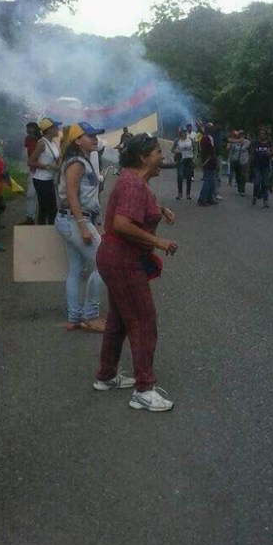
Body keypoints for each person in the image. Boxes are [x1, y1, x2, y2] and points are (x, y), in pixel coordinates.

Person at [93, 133, 178, 412]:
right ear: (143, 157)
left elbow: (136, 206)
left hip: (116, 259)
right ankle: (144, 389)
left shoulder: (133, 180)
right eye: (157, 152)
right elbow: (121, 223)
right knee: (143, 320)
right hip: (123, 260)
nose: (162, 157)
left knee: (118, 319)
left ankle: (106, 375)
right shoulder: (132, 183)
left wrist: (160, 209)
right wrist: (158, 241)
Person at [55, 122, 106, 333]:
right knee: (103, 263)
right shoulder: (77, 162)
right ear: (77, 140)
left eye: (95, 135)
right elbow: (72, 195)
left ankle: (74, 317)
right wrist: (83, 226)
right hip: (75, 220)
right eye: (89, 136)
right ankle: (90, 316)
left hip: (70, 220)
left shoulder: (82, 160)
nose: (94, 139)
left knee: (75, 270)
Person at [29, 117, 61, 224]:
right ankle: (42, 232)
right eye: (56, 127)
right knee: (46, 209)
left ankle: (50, 230)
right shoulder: (42, 143)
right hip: (41, 179)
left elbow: (57, 159)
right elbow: (30, 162)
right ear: (49, 129)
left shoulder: (54, 142)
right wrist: (48, 166)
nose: (58, 129)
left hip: (49, 179)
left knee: (52, 208)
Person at [22, 121, 40, 224]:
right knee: (30, 194)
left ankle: (42, 216)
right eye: (27, 128)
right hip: (33, 169)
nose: (28, 131)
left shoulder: (41, 140)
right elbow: (27, 153)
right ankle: (30, 217)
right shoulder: (28, 139)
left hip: (41, 170)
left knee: (40, 196)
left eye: (30, 128)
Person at [250, 127, 273, 208]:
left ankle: (265, 200)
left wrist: (269, 153)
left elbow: (272, 152)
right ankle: (254, 196)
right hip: (257, 165)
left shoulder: (269, 143)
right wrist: (250, 164)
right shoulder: (255, 143)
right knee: (257, 182)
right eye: (260, 134)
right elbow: (252, 153)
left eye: (263, 134)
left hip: (265, 165)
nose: (262, 135)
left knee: (265, 183)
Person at [197, 122, 218, 206]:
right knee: (208, 181)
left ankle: (209, 197)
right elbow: (210, 152)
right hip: (208, 162)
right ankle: (203, 199)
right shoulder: (206, 139)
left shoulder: (207, 138)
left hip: (210, 162)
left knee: (212, 181)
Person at [171, 127, 195, 200]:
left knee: (188, 177)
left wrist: (194, 155)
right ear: (180, 134)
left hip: (189, 159)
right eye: (182, 133)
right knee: (180, 176)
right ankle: (180, 193)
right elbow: (172, 149)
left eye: (185, 132)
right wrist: (176, 152)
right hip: (181, 160)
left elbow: (195, 148)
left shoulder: (190, 140)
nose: (184, 134)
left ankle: (188, 194)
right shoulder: (177, 140)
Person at [228, 130, 250, 196]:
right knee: (238, 175)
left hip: (243, 160)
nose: (241, 136)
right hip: (236, 160)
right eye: (240, 134)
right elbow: (230, 146)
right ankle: (239, 188)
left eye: (242, 134)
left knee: (242, 175)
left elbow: (246, 147)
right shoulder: (235, 142)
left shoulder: (247, 142)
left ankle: (242, 190)